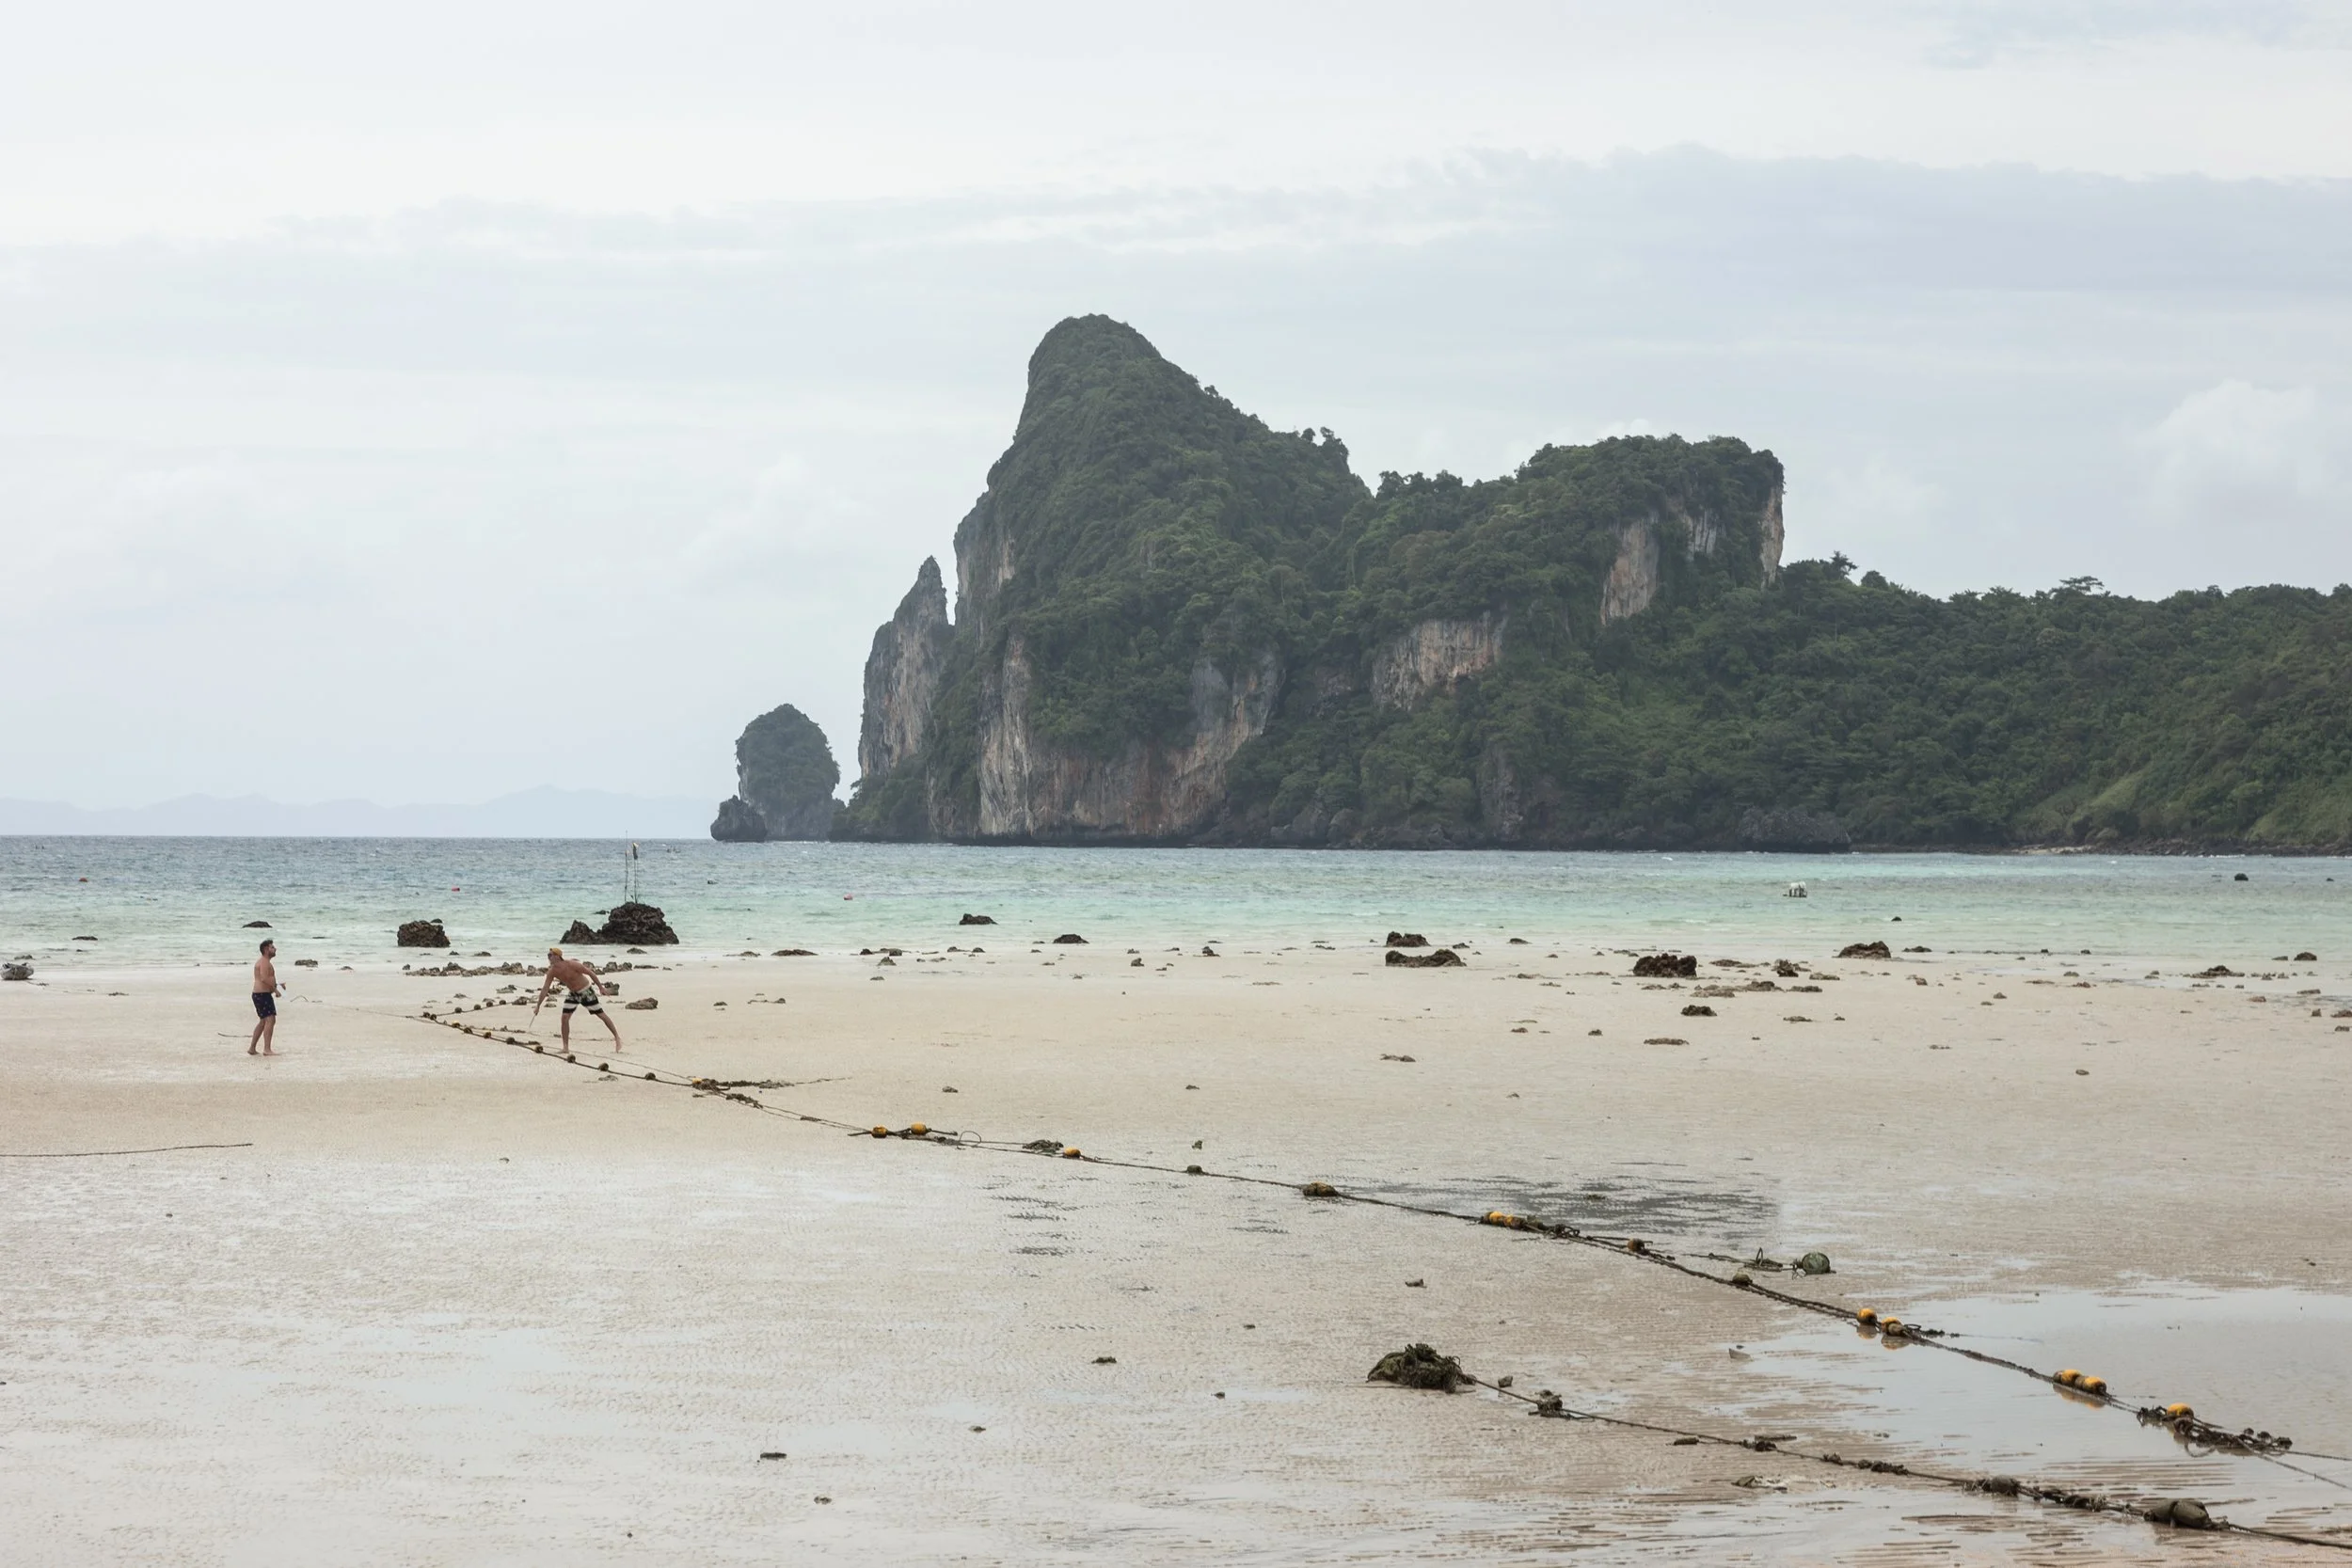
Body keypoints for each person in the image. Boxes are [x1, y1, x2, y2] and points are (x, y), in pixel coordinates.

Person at [534, 946, 621, 1056]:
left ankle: (617, 1037)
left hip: (586, 991)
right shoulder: (552, 971)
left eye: (550, 955)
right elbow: (545, 988)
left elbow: (590, 973)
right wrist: (538, 1006)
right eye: (548, 955)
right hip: (573, 994)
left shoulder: (572, 964)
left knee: (601, 1014)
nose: (548, 958)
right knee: (565, 1018)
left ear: (557, 956)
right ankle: (565, 1047)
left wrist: (601, 988)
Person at [249, 940, 283, 1055]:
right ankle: (267, 1049)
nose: (275, 949)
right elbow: (264, 978)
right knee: (270, 1020)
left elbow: (265, 980)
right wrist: (275, 990)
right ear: (266, 949)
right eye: (272, 947)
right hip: (262, 995)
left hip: (260, 994)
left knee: (263, 1021)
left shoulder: (264, 962)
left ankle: (252, 1048)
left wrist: (277, 985)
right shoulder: (264, 962)